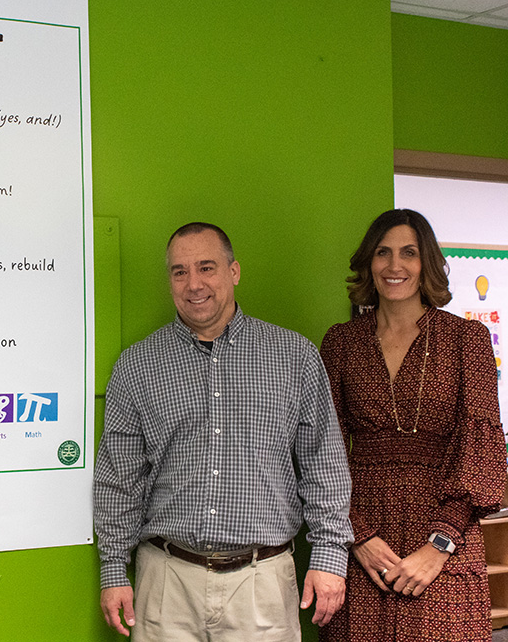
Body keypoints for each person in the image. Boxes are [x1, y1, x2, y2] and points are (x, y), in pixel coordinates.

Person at [94, 222, 353, 641]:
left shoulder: (294, 356)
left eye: (206, 267)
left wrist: (328, 556)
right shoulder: (137, 365)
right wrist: (112, 568)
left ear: (234, 271)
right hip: (166, 581)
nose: (194, 283)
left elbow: (324, 464)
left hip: (262, 581)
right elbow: (119, 478)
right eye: (180, 271)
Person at [319, 209, 506, 641]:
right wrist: (357, 535)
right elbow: (320, 450)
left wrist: (439, 544)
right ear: (369, 262)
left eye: (409, 253)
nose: (394, 265)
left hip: (445, 535)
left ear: (427, 264)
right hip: (362, 536)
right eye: (382, 253)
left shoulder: (467, 340)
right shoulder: (341, 342)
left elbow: (480, 448)